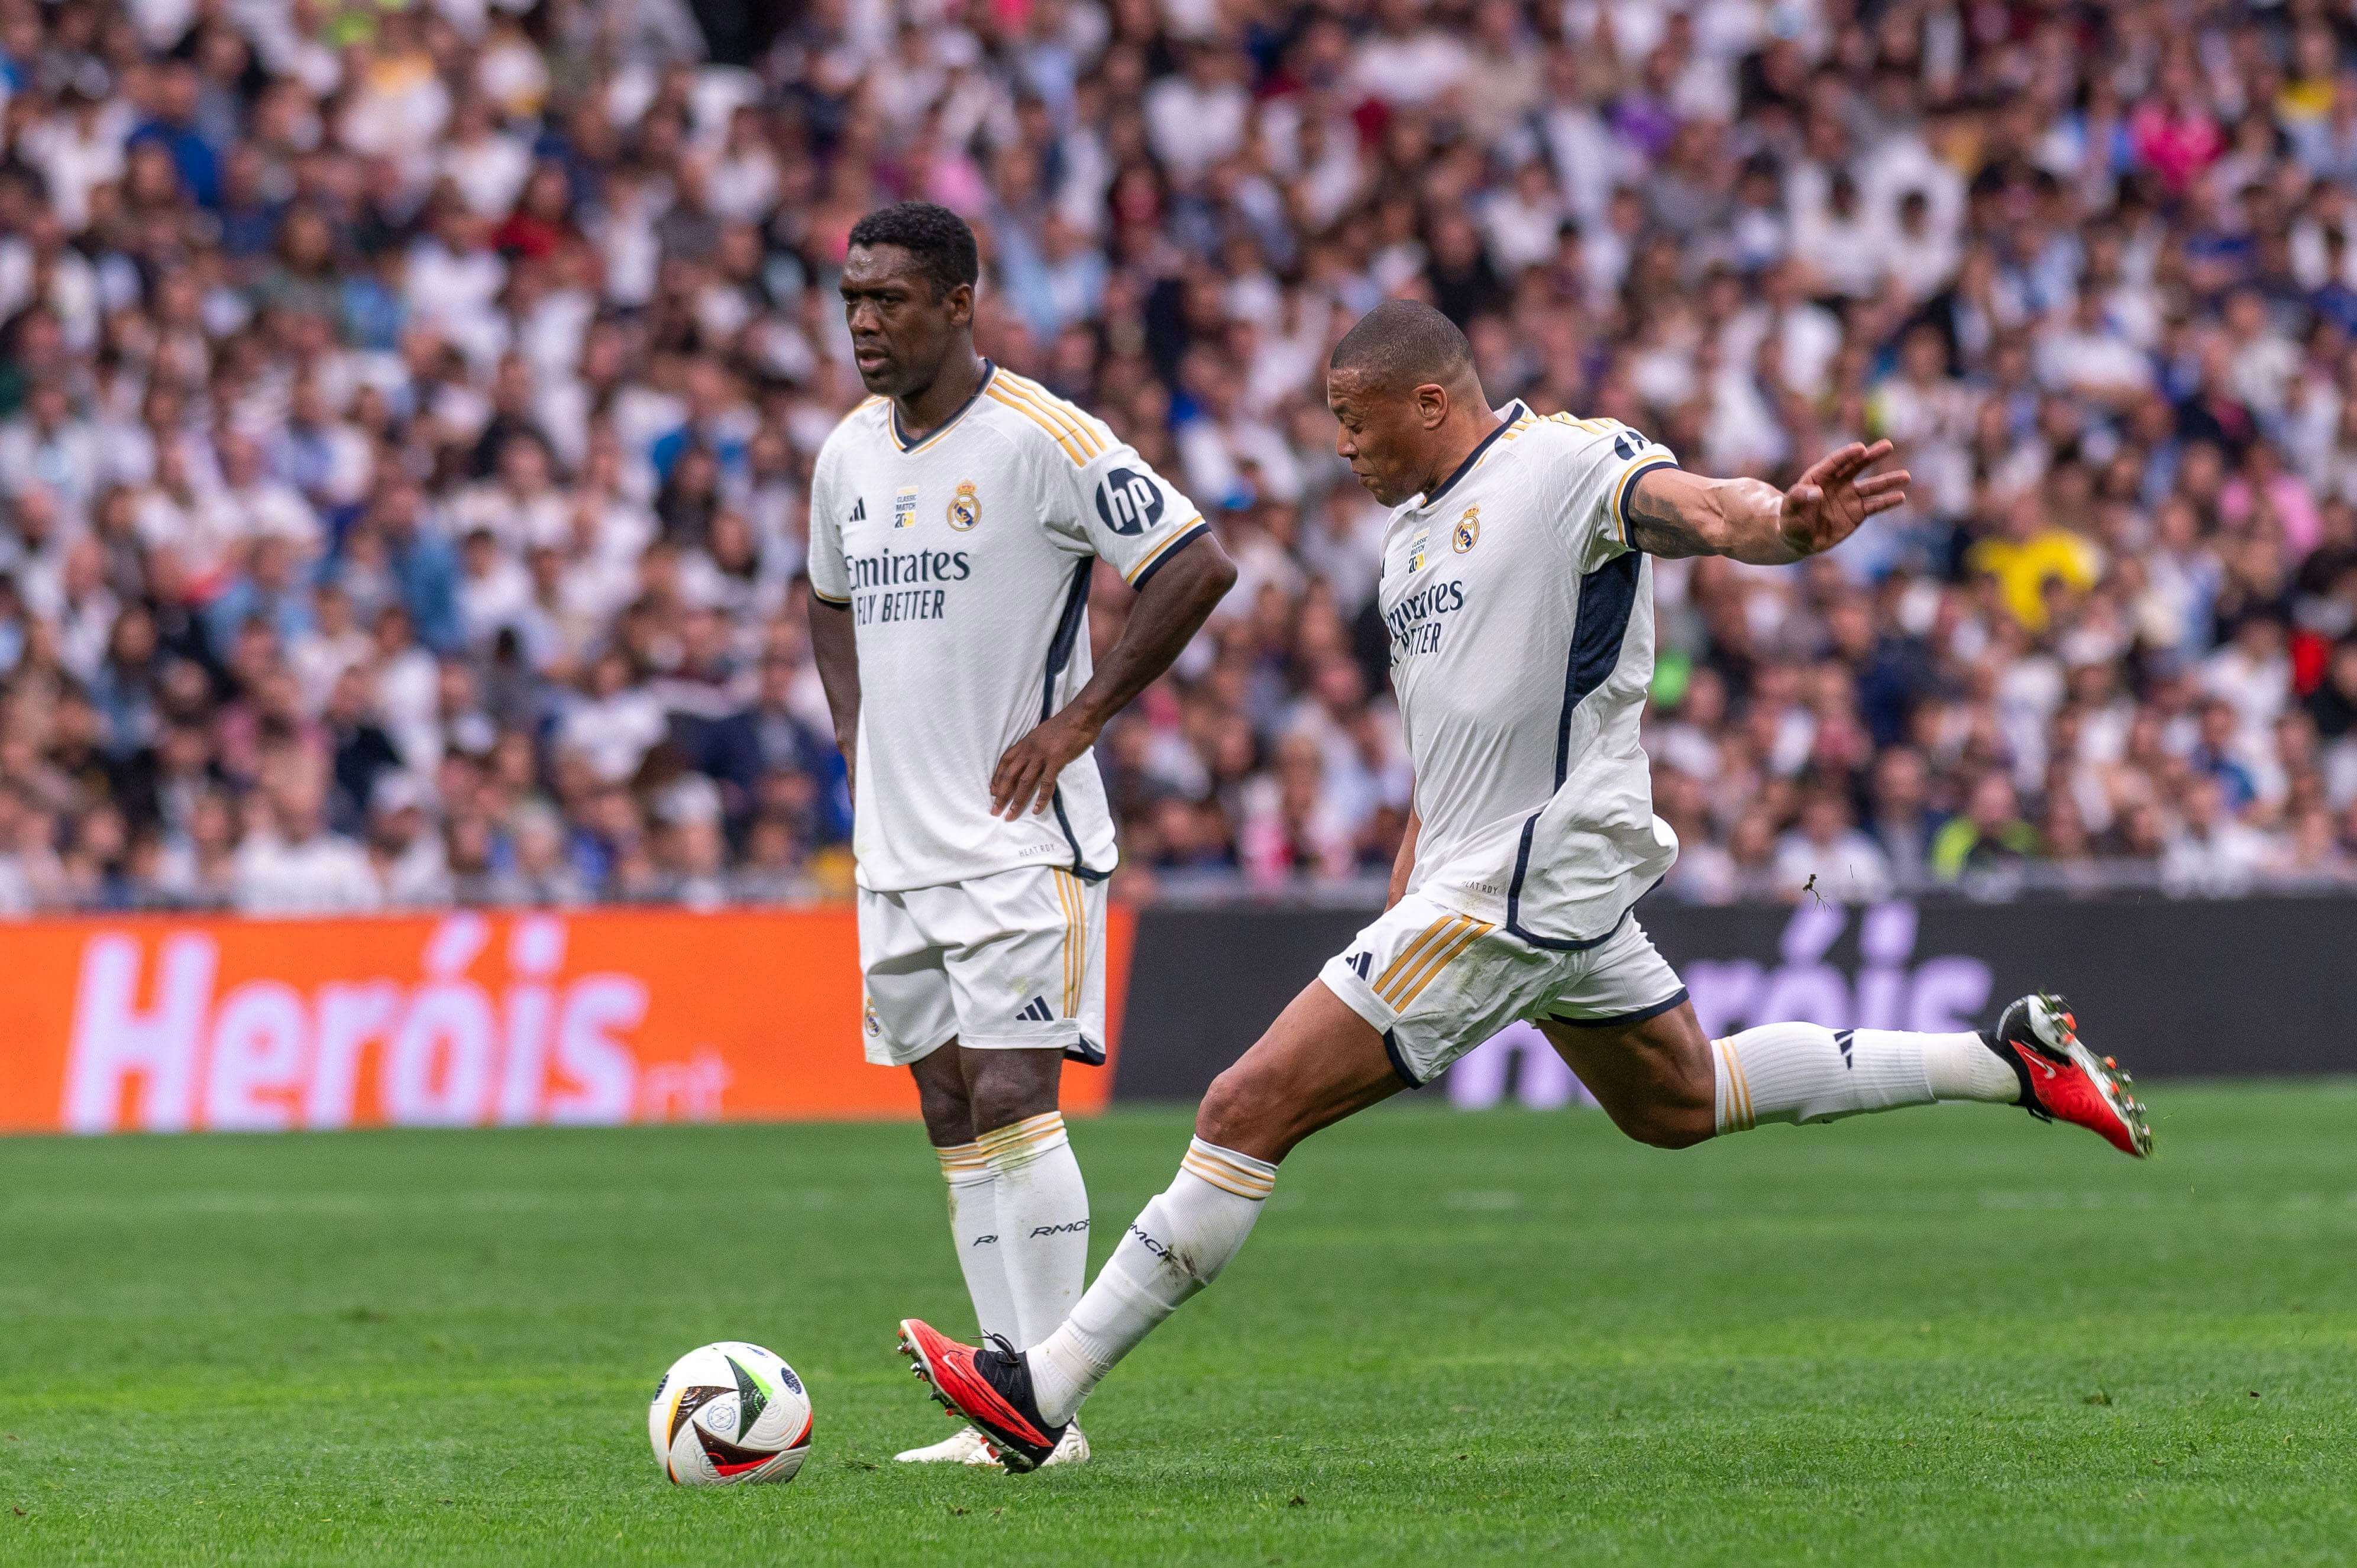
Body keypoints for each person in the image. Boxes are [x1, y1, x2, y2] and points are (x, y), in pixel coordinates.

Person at [895, 300, 2154, 1471]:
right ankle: (2006, 1061)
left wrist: (1787, 526)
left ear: (1431, 402)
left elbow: (1703, 510)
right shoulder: (1402, 551)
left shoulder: (1561, 464)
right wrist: (1401, 899)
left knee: (1243, 1103)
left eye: (1354, 416)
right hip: (1488, 874)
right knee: (1678, 1098)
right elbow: (1440, 764)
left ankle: (1039, 1392)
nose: (1339, 445)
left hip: (1532, 871)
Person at [804, 203, 1236, 1467]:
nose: (864, 323)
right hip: (897, 848)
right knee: (948, 1107)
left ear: (958, 303)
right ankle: (1004, 1410)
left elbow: (1194, 563)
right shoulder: (845, 454)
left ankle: (1047, 1407)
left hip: (1015, 841)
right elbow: (826, 600)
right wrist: (851, 739)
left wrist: (1084, 719)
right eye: (851, 300)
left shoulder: (1048, 438)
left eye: (888, 300)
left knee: (1010, 1090)